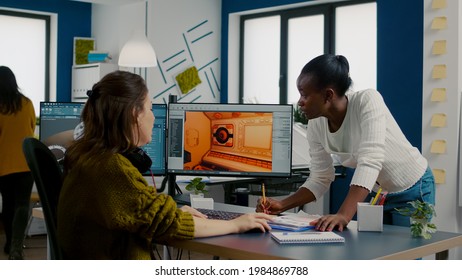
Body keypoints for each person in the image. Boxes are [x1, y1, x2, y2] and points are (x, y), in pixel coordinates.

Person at [57, 70, 272, 260]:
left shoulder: (87, 157)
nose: (153, 116)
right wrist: (236, 224)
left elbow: (147, 213)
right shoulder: (110, 168)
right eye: (150, 108)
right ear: (135, 115)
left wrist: (177, 211)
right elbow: (168, 224)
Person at [257, 54, 435, 231]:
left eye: (304, 95)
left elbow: (370, 161)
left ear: (328, 95)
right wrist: (282, 204)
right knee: (382, 255)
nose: (300, 102)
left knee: (406, 257)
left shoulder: (367, 100)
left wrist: (343, 215)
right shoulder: (316, 124)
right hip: (378, 194)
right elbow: (321, 176)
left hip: (413, 187)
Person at [0, 66, 36, 260]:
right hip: (25, 164)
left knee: (8, 204)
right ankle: (16, 248)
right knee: (22, 205)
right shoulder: (27, 103)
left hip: (3, 165)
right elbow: (31, 127)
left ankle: (8, 243)